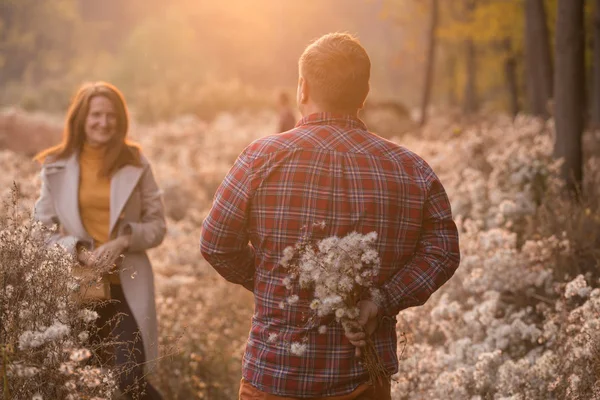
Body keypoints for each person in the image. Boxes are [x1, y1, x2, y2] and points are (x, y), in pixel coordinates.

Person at [200, 33, 460, 399]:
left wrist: (274, 281)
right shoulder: (411, 170)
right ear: (364, 93)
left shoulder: (261, 157)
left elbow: (215, 245)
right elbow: (443, 253)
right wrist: (381, 299)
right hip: (363, 380)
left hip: (276, 375)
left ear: (302, 89)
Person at [33, 82, 166, 400]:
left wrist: (123, 241)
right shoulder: (55, 166)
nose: (104, 122)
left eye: (111, 116)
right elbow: (39, 232)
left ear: (120, 120)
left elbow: (157, 226)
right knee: (82, 384)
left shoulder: (136, 163)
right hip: (77, 290)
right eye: (96, 115)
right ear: (81, 118)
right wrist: (75, 251)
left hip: (126, 288)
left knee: (130, 379)